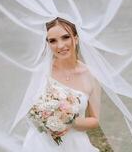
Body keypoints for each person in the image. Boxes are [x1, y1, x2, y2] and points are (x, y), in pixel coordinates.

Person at [22, 17, 101, 152]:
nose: (60, 45)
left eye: (65, 37)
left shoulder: (91, 75)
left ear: (75, 38)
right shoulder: (42, 72)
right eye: (52, 41)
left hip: (76, 145)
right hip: (41, 145)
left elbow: (94, 119)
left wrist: (67, 120)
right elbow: (29, 110)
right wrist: (46, 117)